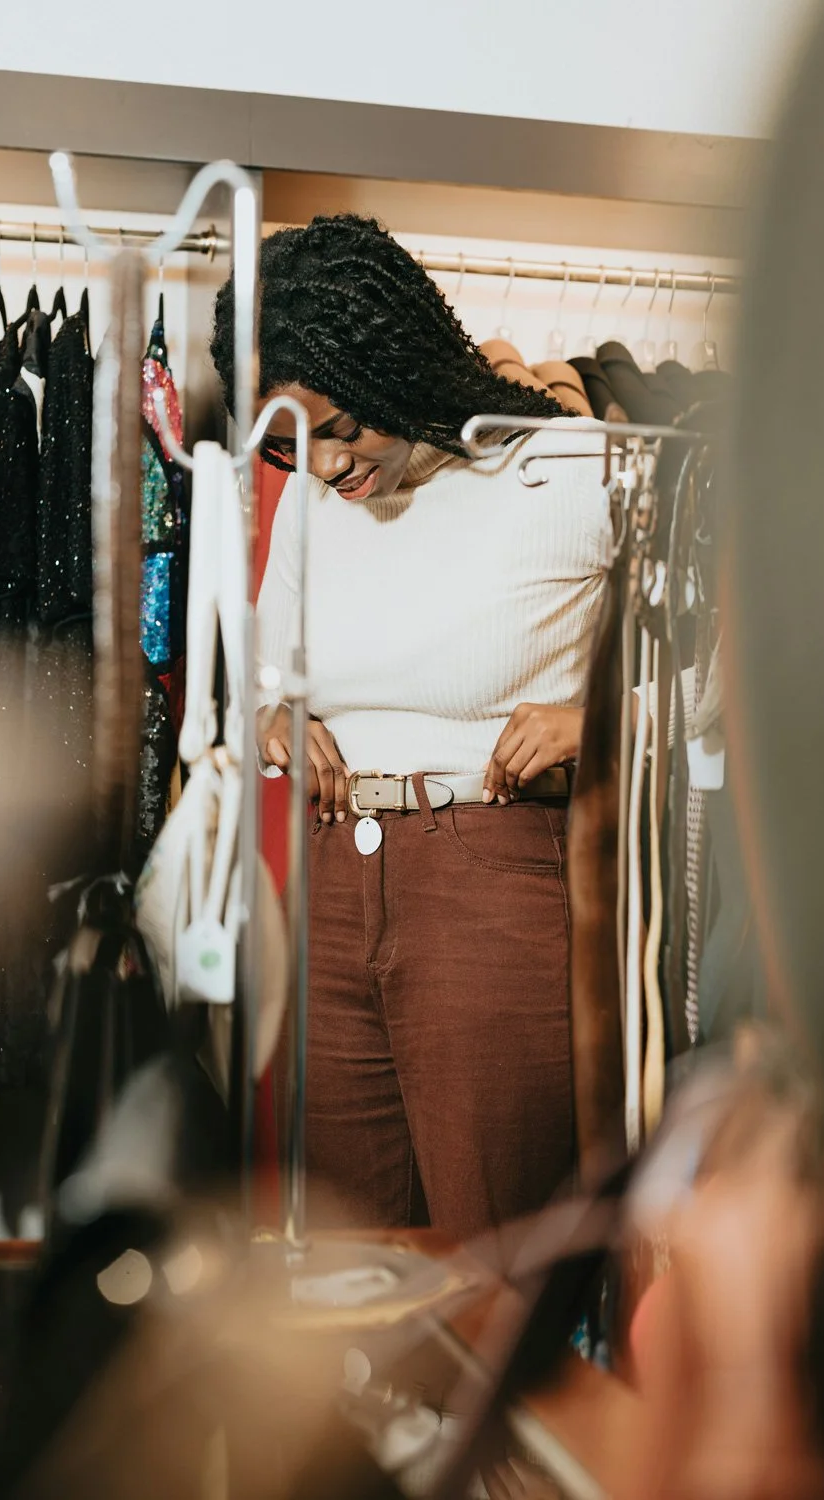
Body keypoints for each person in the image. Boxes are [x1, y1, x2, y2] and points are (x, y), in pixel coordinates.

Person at [211, 215, 611, 1237]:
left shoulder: (567, 468)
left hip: (490, 873)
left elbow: (723, 675)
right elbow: (266, 675)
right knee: (350, 1257)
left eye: (342, 429)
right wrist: (276, 719)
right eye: (292, 447)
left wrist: (598, 717)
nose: (326, 469)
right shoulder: (311, 508)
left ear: (398, 366)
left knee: (496, 1255)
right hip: (332, 879)